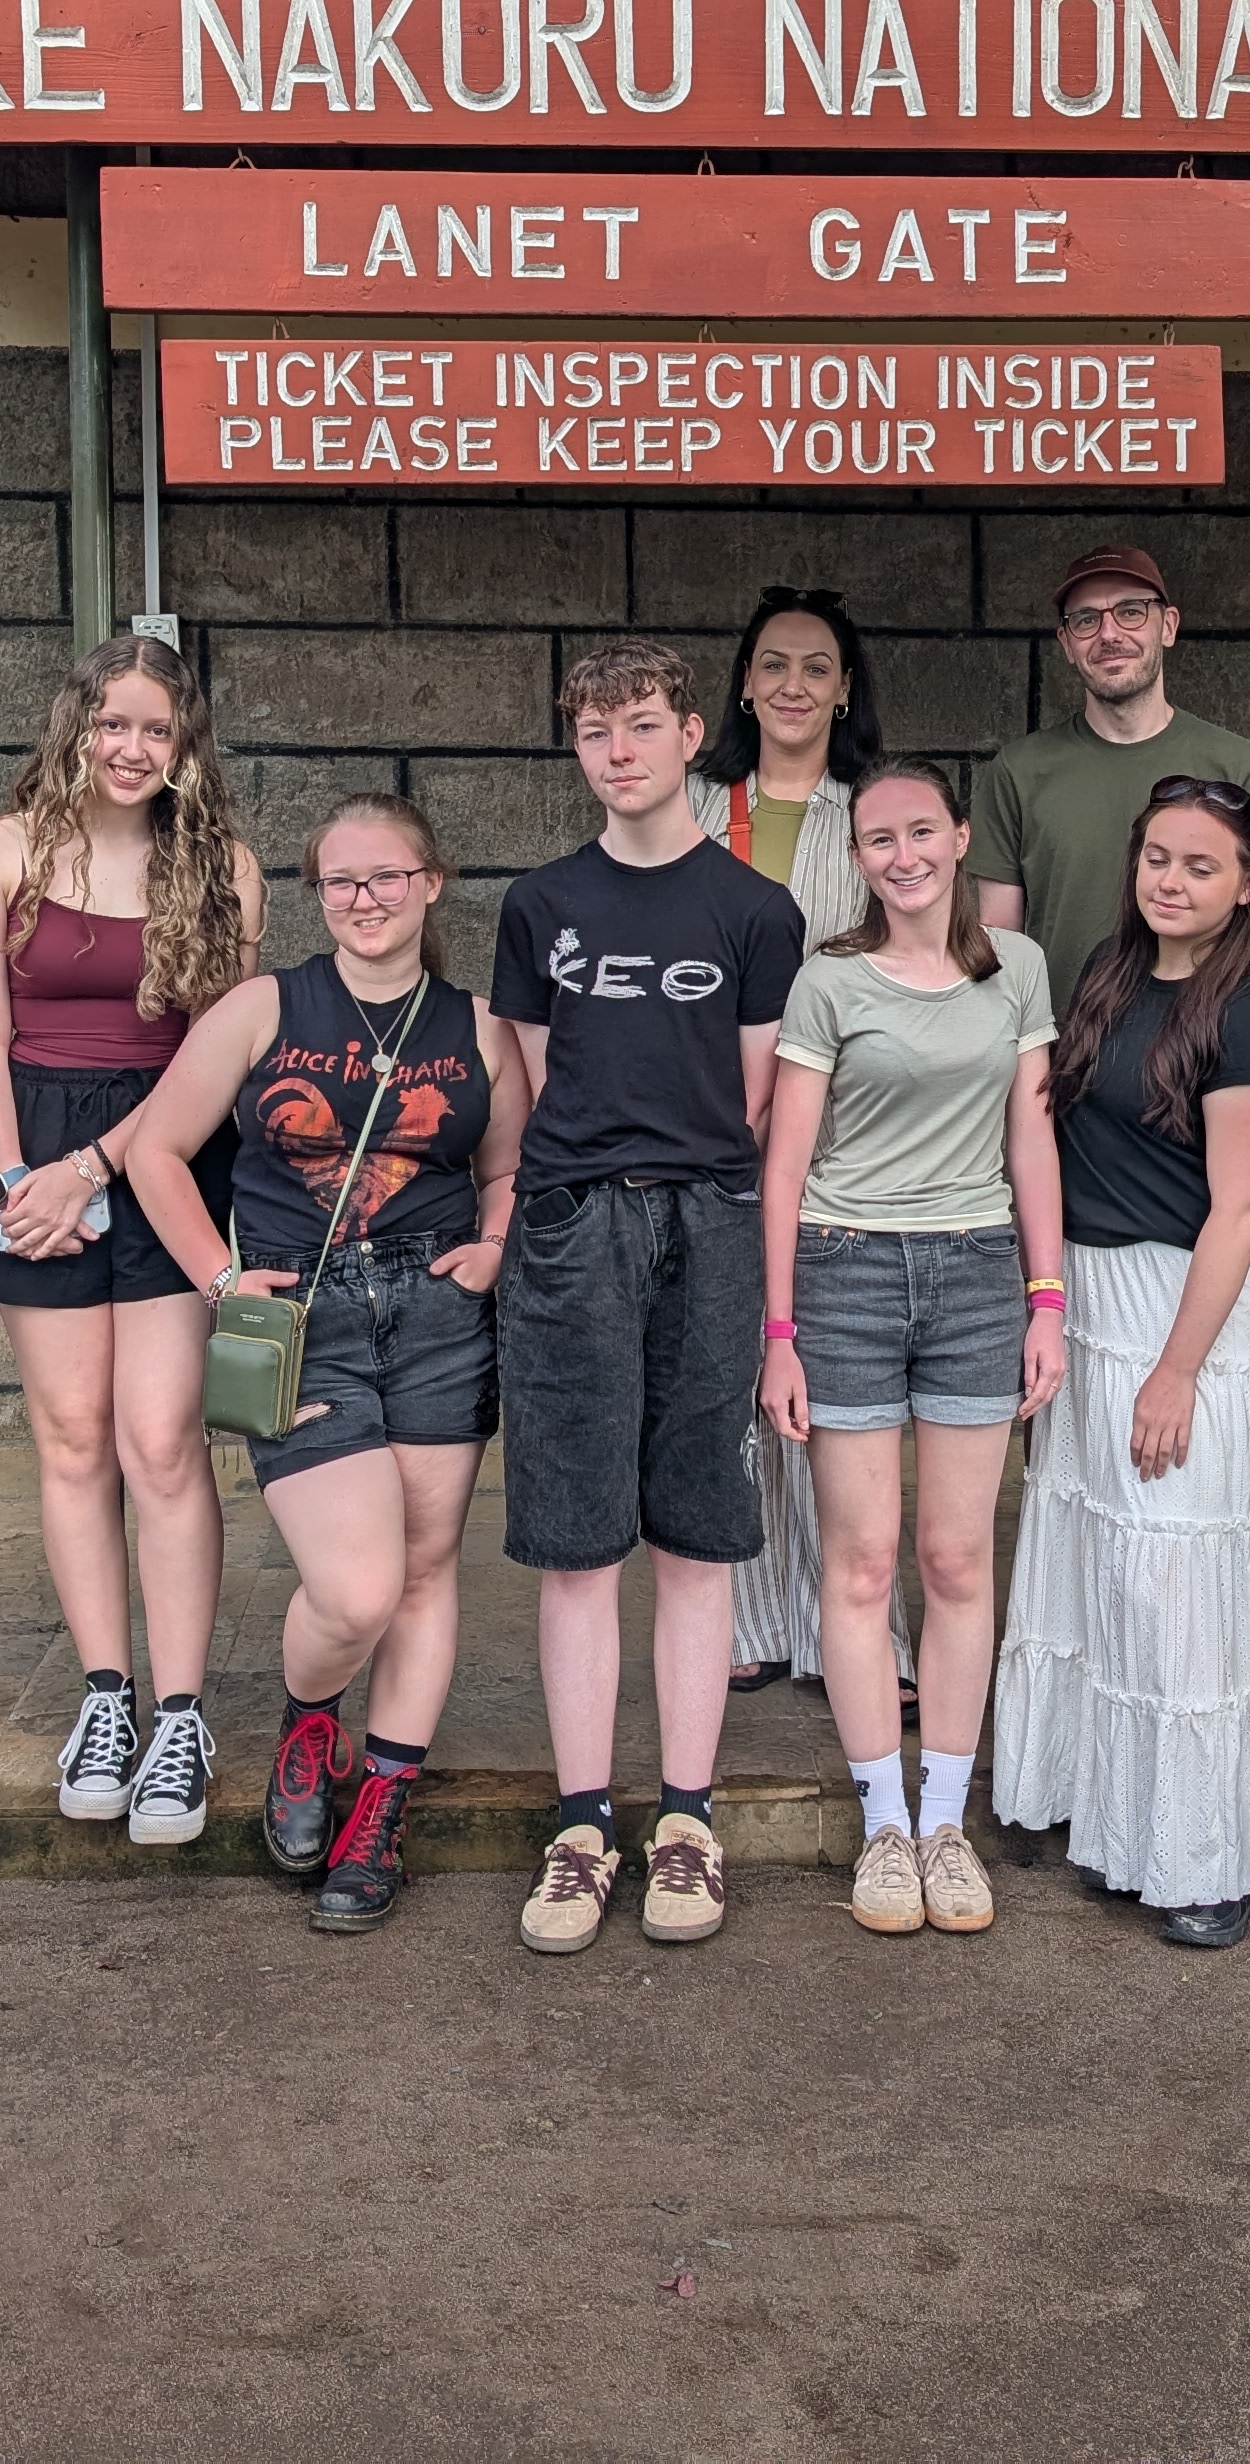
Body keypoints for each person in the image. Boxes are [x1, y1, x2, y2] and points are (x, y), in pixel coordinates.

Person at [124, 794, 523, 1932]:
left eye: (387, 878)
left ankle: (382, 1802)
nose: (364, 900)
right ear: (319, 895)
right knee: (355, 1591)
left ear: (432, 884)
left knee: (430, 1565)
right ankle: (310, 1720)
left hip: (439, 1313)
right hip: (305, 1317)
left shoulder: (477, 1025)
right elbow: (156, 1146)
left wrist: (492, 1248)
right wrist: (216, 1277)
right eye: (341, 882)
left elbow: (503, 1165)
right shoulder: (265, 1007)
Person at [493, 638, 806, 1955]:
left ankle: (685, 1819)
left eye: (638, 727)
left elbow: (747, 1097)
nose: (616, 754)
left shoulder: (752, 912)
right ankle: (582, 1827)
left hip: (709, 1230)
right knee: (574, 1540)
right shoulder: (539, 905)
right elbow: (539, 1076)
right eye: (592, 733)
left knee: (696, 1535)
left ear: (690, 737)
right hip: (573, 1228)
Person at [0, 633, 268, 1843]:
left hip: (166, 1153)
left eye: (157, 729)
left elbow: (215, 1053)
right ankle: (106, 1696)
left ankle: (182, 1712)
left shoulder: (222, 864)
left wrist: (99, 1163)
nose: (133, 749)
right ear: (75, 725)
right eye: (114, 724)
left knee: (162, 1438)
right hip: (33, 1154)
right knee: (74, 1434)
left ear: (185, 745)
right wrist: (20, 1173)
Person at [990, 780, 1250, 1949]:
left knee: (1180, 1581)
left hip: (1188, 1314)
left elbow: (1236, 1215)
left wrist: (1176, 1371)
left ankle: (1207, 1853)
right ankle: (1099, 1811)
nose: (1172, 882)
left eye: (1201, 866)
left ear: (1247, 887)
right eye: (1157, 859)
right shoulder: (1108, 984)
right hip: (1089, 1296)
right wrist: (1049, 1300)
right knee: (1099, 1565)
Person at [756, 758, 1062, 1938]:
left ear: (959, 836)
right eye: (879, 839)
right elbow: (784, 1167)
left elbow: (1031, 1141)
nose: (903, 855)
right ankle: (883, 1824)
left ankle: (948, 1823)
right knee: (863, 1562)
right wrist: (778, 1333)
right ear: (860, 857)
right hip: (844, 1274)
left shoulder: (1017, 968)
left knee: (956, 1561)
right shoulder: (829, 980)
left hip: (981, 1272)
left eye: (921, 832)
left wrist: (1048, 1296)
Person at [684, 584, 911, 1709]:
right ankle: (750, 1614)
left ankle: (853, 1625)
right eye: (773, 663)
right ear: (742, 680)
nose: (791, 684)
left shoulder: (870, 807)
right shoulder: (685, 802)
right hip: (706, 1117)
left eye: (816, 666)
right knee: (730, 1370)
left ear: (845, 688)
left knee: (834, 1371)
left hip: (839, 1122)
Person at [974, 544, 1250, 1009]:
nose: (1109, 634)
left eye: (1130, 612)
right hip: (1064, 1056)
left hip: (1201, 1049)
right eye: (1086, 619)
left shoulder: (1238, 765)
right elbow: (1001, 945)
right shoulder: (1017, 771)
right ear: (1066, 643)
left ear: (1167, 626)